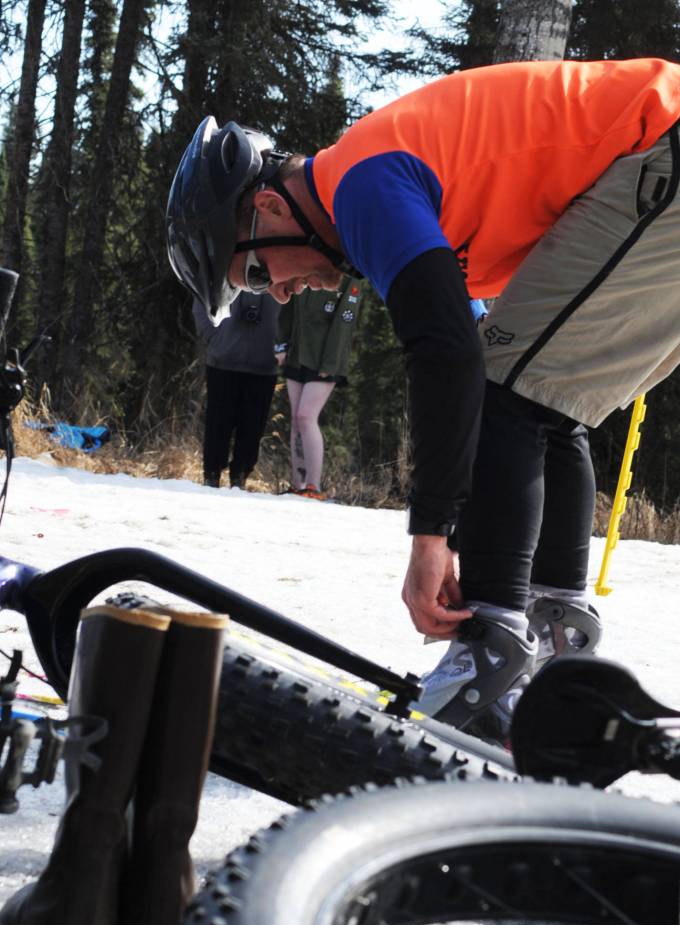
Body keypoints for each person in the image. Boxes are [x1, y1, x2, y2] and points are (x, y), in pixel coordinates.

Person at [167, 58, 680, 738]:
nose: (282, 293)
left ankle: (492, 658)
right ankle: (549, 640)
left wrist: (431, 538)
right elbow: (508, 394)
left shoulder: (362, 184)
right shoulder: (378, 183)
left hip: (659, 150)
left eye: (258, 272)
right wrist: (476, 535)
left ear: (266, 207)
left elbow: (454, 359)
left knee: (515, 381)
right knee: (548, 400)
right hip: (656, 160)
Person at [278, 278, 362, 498]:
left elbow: (344, 323)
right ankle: (299, 483)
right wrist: (280, 343)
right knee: (296, 419)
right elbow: (287, 305)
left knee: (306, 416)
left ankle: (313, 485)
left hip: (325, 359)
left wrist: (329, 363)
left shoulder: (348, 277)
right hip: (297, 354)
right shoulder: (305, 265)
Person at [193, 292, 280, 489]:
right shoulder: (227, 263)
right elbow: (201, 296)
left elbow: (292, 313)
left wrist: (280, 344)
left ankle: (240, 477)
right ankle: (211, 475)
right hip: (222, 359)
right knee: (217, 423)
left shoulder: (282, 264)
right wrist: (213, 337)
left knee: (253, 427)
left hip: (264, 363)